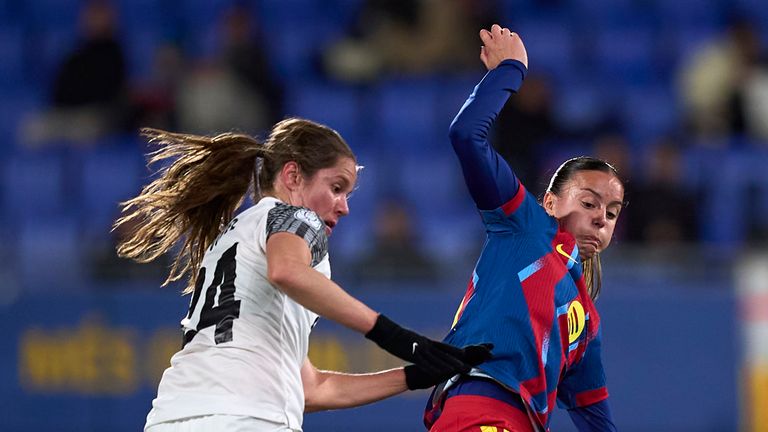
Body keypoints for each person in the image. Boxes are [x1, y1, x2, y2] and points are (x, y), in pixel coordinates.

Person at [113, 118, 492, 431]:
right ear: (292, 175)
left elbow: (312, 389)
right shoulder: (293, 216)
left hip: (171, 417)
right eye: (336, 187)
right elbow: (287, 271)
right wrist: (399, 338)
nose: (343, 207)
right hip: (245, 419)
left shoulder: (234, 235)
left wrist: (413, 374)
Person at [422, 25, 623, 431]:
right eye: (589, 202)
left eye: (613, 212)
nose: (602, 217)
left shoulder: (586, 322)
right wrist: (511, 70)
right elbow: (467, 135)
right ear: (549, 202)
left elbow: (596, 418)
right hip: (478, 409)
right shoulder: (525, 226)